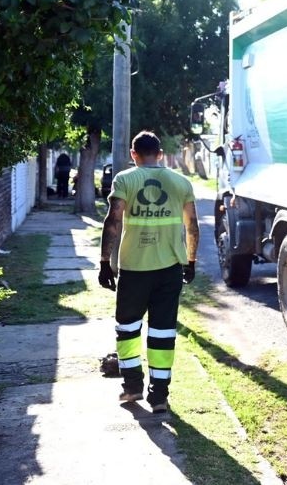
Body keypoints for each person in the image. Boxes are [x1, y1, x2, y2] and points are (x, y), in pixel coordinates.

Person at [98, 131, 199, 412]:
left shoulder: (125, 180)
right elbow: (192, 226)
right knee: (163, 332)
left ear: (134, 154)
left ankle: (132, 387)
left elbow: (113, 220)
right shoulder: (181, 183)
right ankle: (159, 396)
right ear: (161, 154)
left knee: (128, 329)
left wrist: (105, 261)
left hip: (134, 269)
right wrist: (191, 261)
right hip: (169, 270)